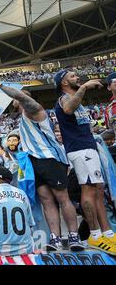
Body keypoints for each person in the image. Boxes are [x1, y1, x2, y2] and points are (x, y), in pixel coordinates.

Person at [0, 83, 83, 252]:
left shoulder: (36, 110)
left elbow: (21, 97)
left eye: (19, 97)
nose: (16, 100)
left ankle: (74, 236)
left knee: (62, 198)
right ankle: (55, 238)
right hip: (34, 162)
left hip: (50, 158)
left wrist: (1, 86)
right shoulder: (23, 119)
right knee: (46, 200)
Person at [54, 69, 116, 254]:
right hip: (79, 150)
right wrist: (85, 87)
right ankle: (95, 235)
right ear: (64, 83)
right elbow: (67, 109)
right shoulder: (64, 98)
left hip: (88, 146)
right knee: (88, 189)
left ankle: (108, 233)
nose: (77, 78)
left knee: (98, 189)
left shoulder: (78, 101)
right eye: (72, 76)